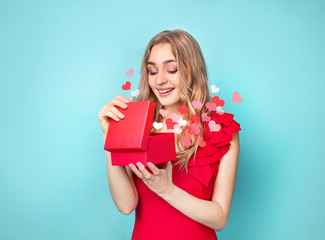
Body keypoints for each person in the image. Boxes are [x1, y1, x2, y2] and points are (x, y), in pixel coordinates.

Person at [98, 29, 241, 240]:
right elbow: (126, 205)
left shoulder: (221, 130)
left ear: (192, 70)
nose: (159, 80)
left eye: (171, 69)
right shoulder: (137, 123)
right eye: (153, 71)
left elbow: (219, 218)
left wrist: (167, 190)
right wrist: (109, 137)